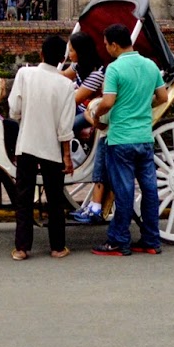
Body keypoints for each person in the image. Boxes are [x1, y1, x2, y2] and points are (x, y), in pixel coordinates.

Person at [90, 23, 168, 257]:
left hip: (121, 138)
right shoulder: (150, 65)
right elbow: (162, 97)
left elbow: (108, 102)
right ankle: (151, 240)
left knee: (124, 191)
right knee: (150, 190)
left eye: (106, 45)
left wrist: (96, 115)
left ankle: (118, 240)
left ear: (115, 45)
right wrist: (144, 105)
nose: (106, 48)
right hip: (144, 137)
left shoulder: (114, 68)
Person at [8, 35, 77, 260]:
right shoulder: (66, 85)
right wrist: (67, 155)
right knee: (55, 199)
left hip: (27, 143)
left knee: (24, 197)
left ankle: (22, 248)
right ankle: (57, 247)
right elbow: (65, 126)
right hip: (52, 148)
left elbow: (14, 110)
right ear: (62, 59)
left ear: (41, 54)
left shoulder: (25, 74)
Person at [66, 32, 110, 224]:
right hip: (79, 108)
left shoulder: (96, 74)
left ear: (80, 52)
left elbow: (74, 99)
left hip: (89, 113)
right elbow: (62, 75)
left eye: (71, 50)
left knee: (66, 126)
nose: (69, 53)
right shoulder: (77, 66)